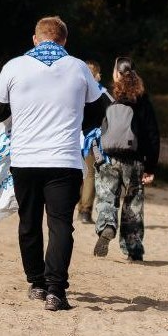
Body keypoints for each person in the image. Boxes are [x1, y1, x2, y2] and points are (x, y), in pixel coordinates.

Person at [0, 16, 109, 311]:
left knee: (29, 223)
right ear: (64, 40)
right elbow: (102, 108)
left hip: (25, 159)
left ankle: (36, 283)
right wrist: (78, 122)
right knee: (60, 225)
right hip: (64, 160)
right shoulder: (78, 67)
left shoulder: (14, 66)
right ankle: (56, 291)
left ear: (35, 38)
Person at [92, 57, 160, 262]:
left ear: (115, 74)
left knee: (106, 197)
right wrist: (150, 166)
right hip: (135, 161)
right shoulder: (142, 98)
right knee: (133, 205)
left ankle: (107, 226)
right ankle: (134, 249)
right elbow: (152, 135)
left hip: (109, 158)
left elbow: (96, 127)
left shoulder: (108, 96)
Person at [77, 60, 105, 225]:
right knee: (91, 173)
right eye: (98, 73)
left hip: (72, 137)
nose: (100, 76)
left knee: (77, 171)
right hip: (92, 140)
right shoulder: (99, 93)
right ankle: (85, 211)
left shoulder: (72, 90)